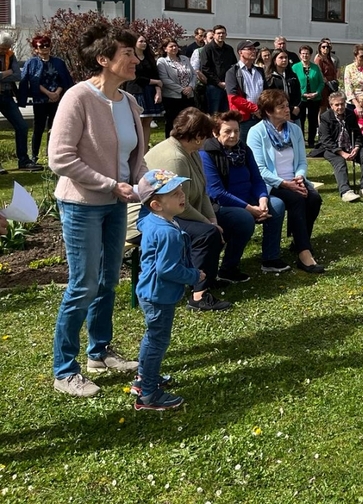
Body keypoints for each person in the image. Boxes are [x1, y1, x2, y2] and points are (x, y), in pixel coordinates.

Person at [49, 22, 146, 397]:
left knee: (107, 281)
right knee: (83, 285)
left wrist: (147, 180)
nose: (136, 60)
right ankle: (64, 370)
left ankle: (100, 352)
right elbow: (60, 158)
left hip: (116, 203)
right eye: (128, 54)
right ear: (103, 59)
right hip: (83, 205)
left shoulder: (129, 102)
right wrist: (109, 184)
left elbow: (134, 158)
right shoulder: (78, 98)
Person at [139, 108, 231, 309]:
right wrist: (209, 225)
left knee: (236, 220)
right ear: (198, 137)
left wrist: (213, 220)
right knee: (207, 234)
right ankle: (198, 295)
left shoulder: (192, 152)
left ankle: (213, 275)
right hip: (158, 215)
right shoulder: (176, 158)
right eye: (206, 135)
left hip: (176, 210)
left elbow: (203, 191)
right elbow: (182, 204)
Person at [133, 169, 205, 411]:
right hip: (159, 295)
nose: (182, 195)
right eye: (174, 194)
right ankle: (148, 394)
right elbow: (167, 269)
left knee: (152, 337)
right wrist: (194, 275)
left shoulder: (152, 220)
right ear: (156, 204)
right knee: (157, 341)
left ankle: (144, 378)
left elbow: (142, 212)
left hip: (150, 292)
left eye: (180, 190)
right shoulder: (167, 233)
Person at [201, 111, 289, 274]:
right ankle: (228, 268)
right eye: (227, 131)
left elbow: (257, 179)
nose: (233, 135)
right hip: (222, 206)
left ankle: (270, 258)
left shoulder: (244, 150)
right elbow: (216, 192)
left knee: (276, 205)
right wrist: (249, 209)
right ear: (215, 132)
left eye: (236, 131)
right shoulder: (207, 154)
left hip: (249, 200)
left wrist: (262, 199)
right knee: (244, 218)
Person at [247, 89, 324, 273]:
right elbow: (260, 170)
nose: (287, 110)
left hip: (294, 181)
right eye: (281, 107)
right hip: (271, 184)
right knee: (296, 199)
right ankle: (304, 253)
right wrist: (285, 184)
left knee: (314, 198)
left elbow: (302, 161)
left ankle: (299, 241)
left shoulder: (294, 130)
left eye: (287, 105)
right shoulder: (256, 132)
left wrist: (299, 177)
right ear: (268, 111)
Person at [18, 33, 73, 165]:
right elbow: (32, 81)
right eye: (41, 46)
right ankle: (34, 156)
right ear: (35, 49)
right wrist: (48, 93)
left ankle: (51, 154)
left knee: (54, 127)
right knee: (39, 128)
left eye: (47, 45)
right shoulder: (32, 63)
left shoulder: (58, 62)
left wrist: (57, 93)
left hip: (56, 99)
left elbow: (64, 80)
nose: (45, 48)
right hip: (40, 100)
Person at [319, 90, 363, 202]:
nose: (340, 107)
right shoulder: (325, 117)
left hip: (350, 146)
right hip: (331, 148)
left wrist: (357, 147)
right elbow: (326, 140)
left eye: (342, 104)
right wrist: (342, 153)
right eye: (337, 105)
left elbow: (357, 134)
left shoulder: (350, 114)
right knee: (339, 161)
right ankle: (345, 191)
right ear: (331, 105)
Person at [122, 34, 163, 151]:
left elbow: (156, 75)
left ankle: (144, 150)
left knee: (147, 122)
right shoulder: (131, 58)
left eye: (145, 41)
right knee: (137, 122)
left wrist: (158, 90)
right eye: (141, 41)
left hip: (149, 92)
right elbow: (135, 77)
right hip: (136, 91)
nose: (144, 43)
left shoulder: (149, 58)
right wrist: (154, 82)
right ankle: (136, 151)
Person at [157, 38, 197, 139]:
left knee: (188, 121)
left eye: (175, 46)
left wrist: (191, 87)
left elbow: (193, 74)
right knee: (172, 122)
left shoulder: (185, 59)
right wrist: (181, 89)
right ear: (165, 49)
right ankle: (171, 141)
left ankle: (186, 141)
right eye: (171, 46)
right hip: (172, 97)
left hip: (188, 96)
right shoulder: (162, 62)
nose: (174, 48)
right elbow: (164, 79)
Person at [225, 40, 264, 142]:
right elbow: (233, 98)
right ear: (240, 52)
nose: (254, 51)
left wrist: (262, 109)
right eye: (250, 49)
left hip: (260, 116)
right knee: (243, 146)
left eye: (254, 49)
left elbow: (265, 92)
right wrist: (255, 108)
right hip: (243, 118)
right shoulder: (232, 72)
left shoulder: (260, 71)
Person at [201, 25, 237, 114]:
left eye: (223, 33)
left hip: (228, 86)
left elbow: (234, 66)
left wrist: (230, 82)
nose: (221, 35)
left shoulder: (229, 49)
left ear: (226, 35)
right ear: (213, 35)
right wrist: (218, 82)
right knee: (214, 113)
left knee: (226, 113)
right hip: (213, 86)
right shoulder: (207, 49)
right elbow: (205, 68)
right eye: (218, 33)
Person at [293, 45, 324, 147]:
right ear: (300, 55)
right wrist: (301, 93)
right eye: (303, 53)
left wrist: (317, 93)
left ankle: (311, 141)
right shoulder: (295, 67)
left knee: (313, 120)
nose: (305, 55)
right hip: (301, 98)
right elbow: (293, 83)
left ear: (310, 55)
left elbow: (321, 82)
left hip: (314, 98)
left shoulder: (315, 67)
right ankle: (301, 140)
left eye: (307, 53)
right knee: (300, 120)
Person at [264, 49, 302, 126]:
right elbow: (270, 97)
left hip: (294, 112)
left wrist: (295, 107)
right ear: (274, 60)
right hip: (277, 113)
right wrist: (285, 109)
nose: (284, 60)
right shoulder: (270, 77)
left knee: (296, 132)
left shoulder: (292, 76)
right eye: (281, 58)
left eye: (286, 57)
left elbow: (298, 93)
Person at [313, 38, 339, 104]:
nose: (326, 48)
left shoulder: (329, 58)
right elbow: (319, 73)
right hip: (324, 85)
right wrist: (327, 83)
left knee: (332, 103)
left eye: (327, 47)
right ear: (320, 48)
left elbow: (335, 70)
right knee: (323, 105)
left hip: (332, 84)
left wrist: (335, 80)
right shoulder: (318, 59)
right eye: (323, 47)